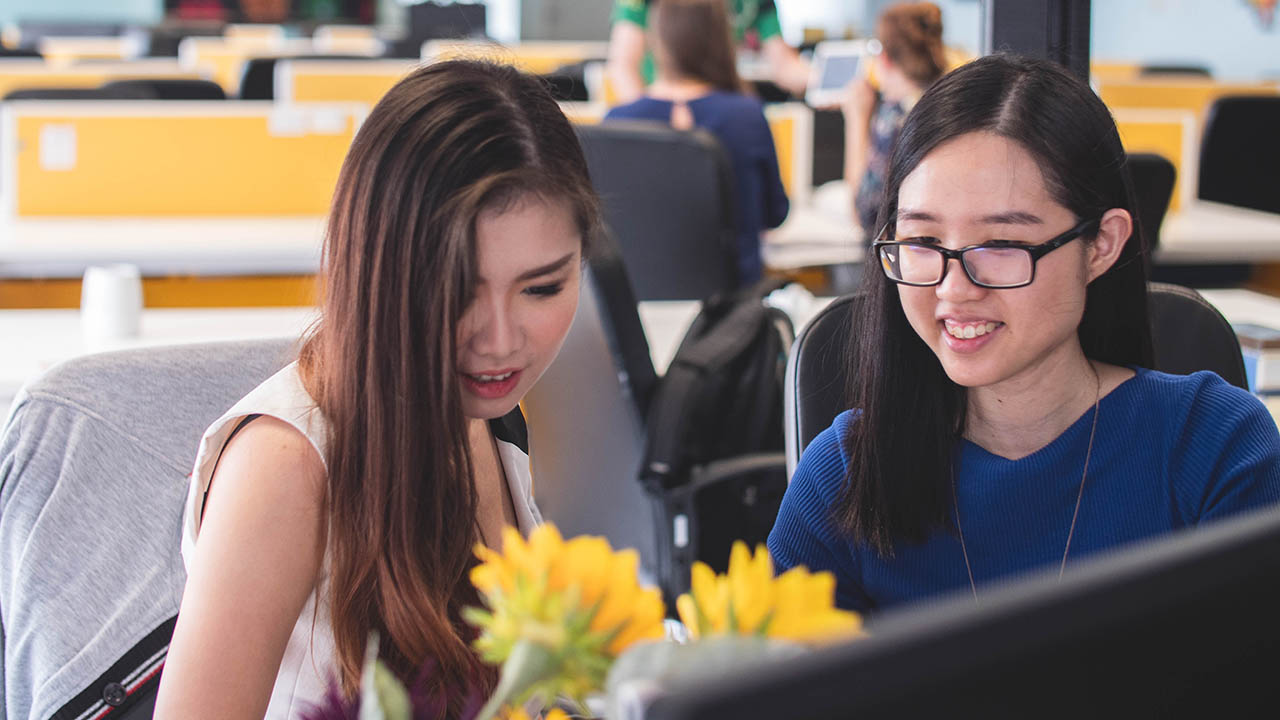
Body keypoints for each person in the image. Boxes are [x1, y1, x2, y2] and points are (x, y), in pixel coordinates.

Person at [155, 60, 600, 718]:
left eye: (541, 287)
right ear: (381, 271)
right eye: (457, 289)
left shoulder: (488, 415)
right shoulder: (284, 470)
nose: (502, 339)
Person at [768, 54, 1280, 613]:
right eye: (922, 242)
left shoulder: (1214, 447)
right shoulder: (844, 471)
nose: (955, 288)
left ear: (1102, 245)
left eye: (1002, 246)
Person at [605, 0, 789, 286]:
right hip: (733, 306)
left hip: (639, 300)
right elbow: (774, 214)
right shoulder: (747, 116)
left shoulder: (618, 122)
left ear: (657, 41)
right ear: (723, 41)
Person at [843, 1, 946, 241]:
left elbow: (865, 214)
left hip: (896, 260)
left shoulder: (894, 117)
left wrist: (856, 120)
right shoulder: (951, 104)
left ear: (885, 58)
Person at [606, 0, 809, 105]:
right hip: (660, 101)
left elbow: (785, 66)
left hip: (720, 106)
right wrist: (647, 124)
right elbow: (624, 65)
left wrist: (829, 82)